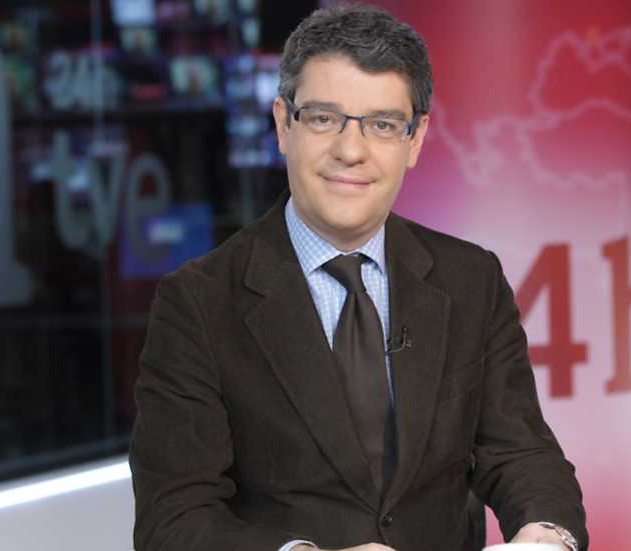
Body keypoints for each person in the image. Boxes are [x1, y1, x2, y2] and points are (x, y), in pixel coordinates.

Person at [130, 5, 587, 550]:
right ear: (283, 124)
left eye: (383, 126)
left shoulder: (472, 279)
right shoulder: (198, 303)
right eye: (324, 119)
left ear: (415, 140)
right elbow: (173, 519)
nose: (351, 151)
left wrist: (546, 536)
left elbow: (521, 452)